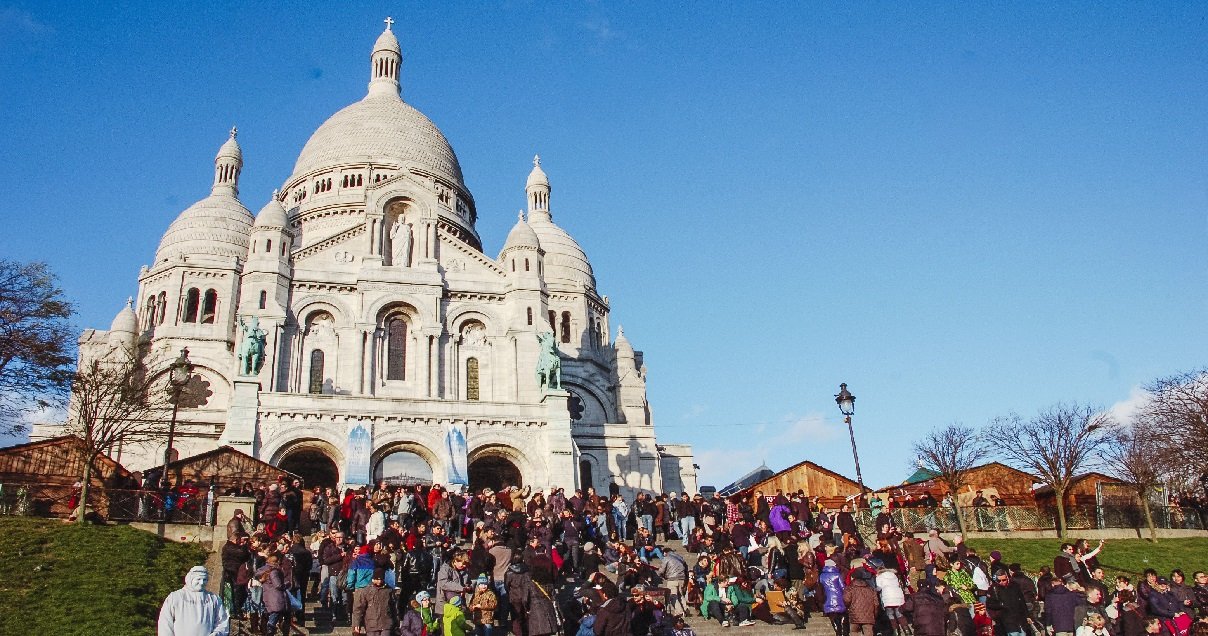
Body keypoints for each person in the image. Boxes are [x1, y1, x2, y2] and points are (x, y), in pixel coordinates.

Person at [157, 565, 230, 636]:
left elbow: (222, 622)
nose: (201, 583)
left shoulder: (213, 599)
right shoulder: (176, 597)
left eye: (204, 580)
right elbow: (165, 623)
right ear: (190, 579)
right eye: (198, 579)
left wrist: (216, 634)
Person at [353, 569, 396, 636]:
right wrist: (356, 624)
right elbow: (359, 609)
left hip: (386, 624)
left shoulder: (388, 590)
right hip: (371, 625)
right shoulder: (366, 591)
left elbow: (394, 608)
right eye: (377, 579)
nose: (379, 581)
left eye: (381, 579)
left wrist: (396, 623)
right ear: (373, 579)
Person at [844, 568, 879, 636]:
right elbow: (876, 603)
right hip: (868, 614)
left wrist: (848, 608)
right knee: (868, 632)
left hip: (854, 614)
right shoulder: (870, 589)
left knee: (854, 632)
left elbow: (846, 600)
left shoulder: (850, 588)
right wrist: (874, 613)